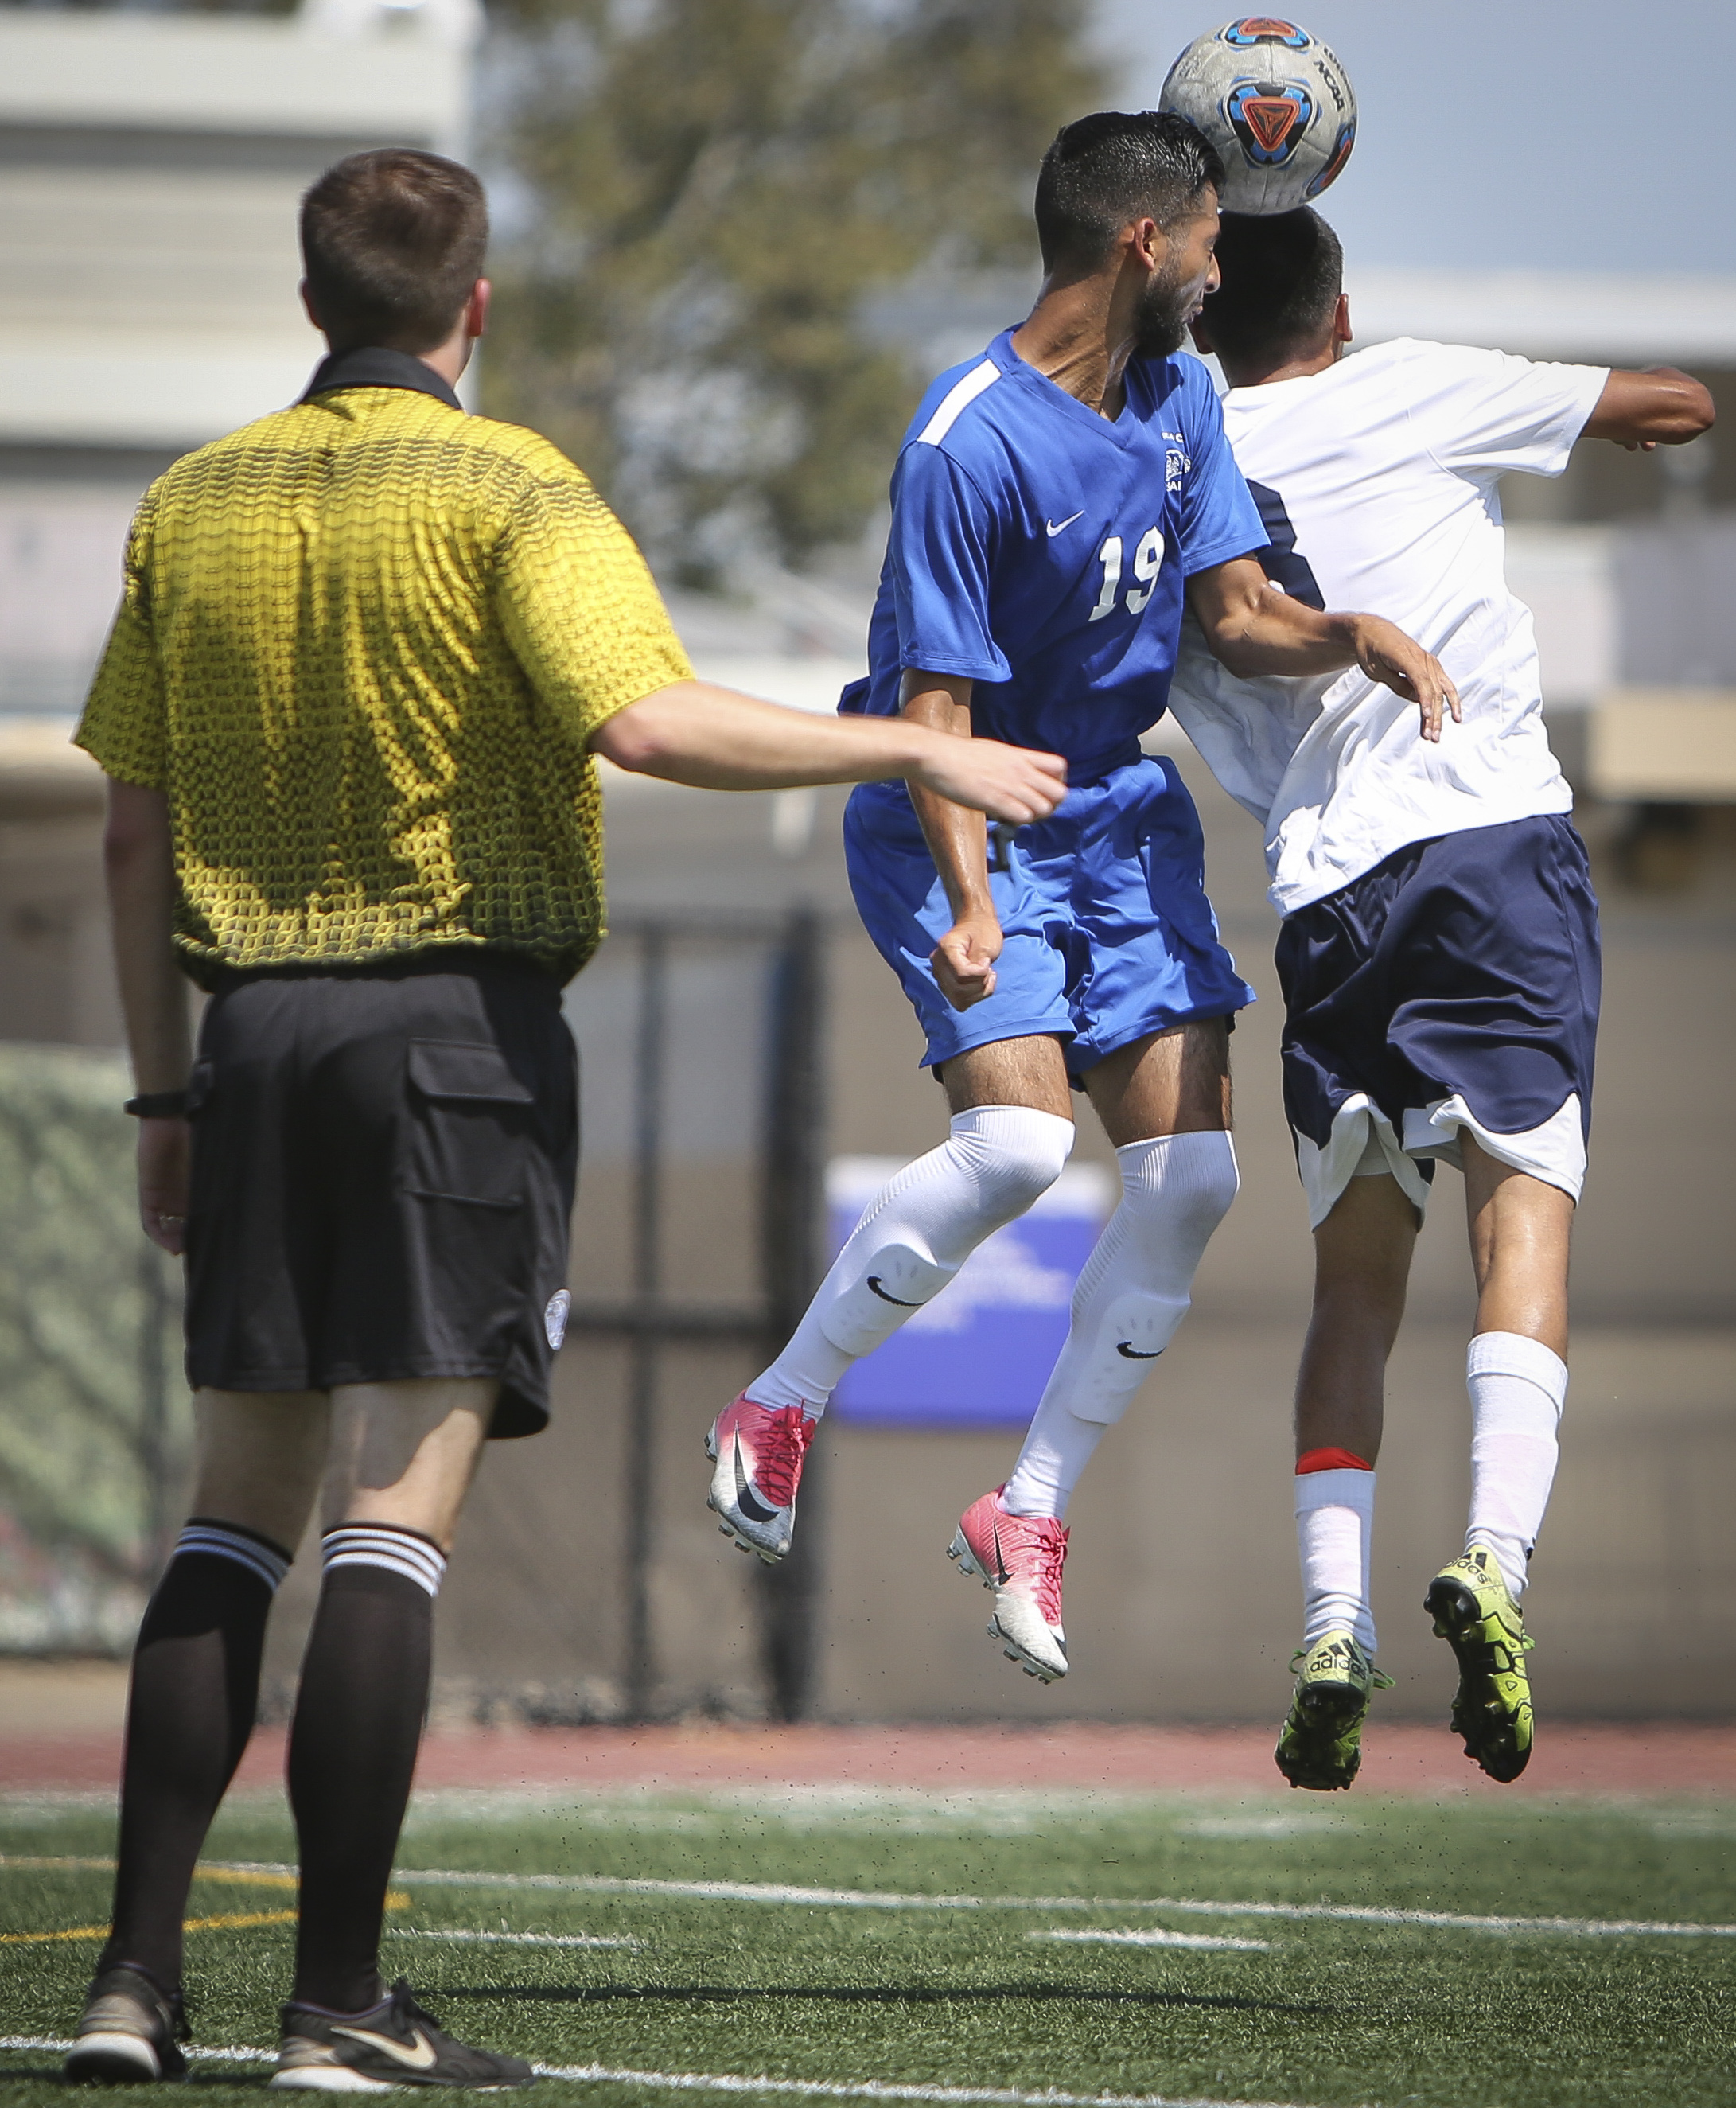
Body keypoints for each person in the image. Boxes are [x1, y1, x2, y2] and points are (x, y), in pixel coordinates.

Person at [62, 147, 1067, 2092]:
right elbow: (648, 721)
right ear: (476, 304)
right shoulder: (511, 482)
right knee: (393, 1513)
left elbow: (129, 823)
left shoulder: (191, 506)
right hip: (454, 1034)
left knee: (230, 1512)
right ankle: (341, 2003)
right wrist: (916, 737)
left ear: (308, 305)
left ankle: (129, 1982)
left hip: (249, 1036)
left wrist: (168, 1087)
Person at [703, 111, 1454, 1689]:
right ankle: (778, 1399)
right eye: (1202, 236)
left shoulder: (1179, 389)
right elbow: (934, 720)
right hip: (957, 810)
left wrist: (1348, 634)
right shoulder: (964, 438)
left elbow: (1235, 612)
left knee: (1184, 1183)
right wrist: (972, 906)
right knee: (1020, 1143)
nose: (1216, 263)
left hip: (1114, 816)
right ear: (1141, 245)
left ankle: (1025, 1507)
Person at [1167, 206, 1714, 1790]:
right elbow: (1674, 402)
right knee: (1520, 1211)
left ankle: (1332, 1623)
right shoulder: (1412, 381)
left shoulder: (1170, 457)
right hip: (1487, 852)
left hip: (1323, 902)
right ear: (1336, 309)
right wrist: (1533, 419)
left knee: (1352, 1289)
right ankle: (1491, 1556)